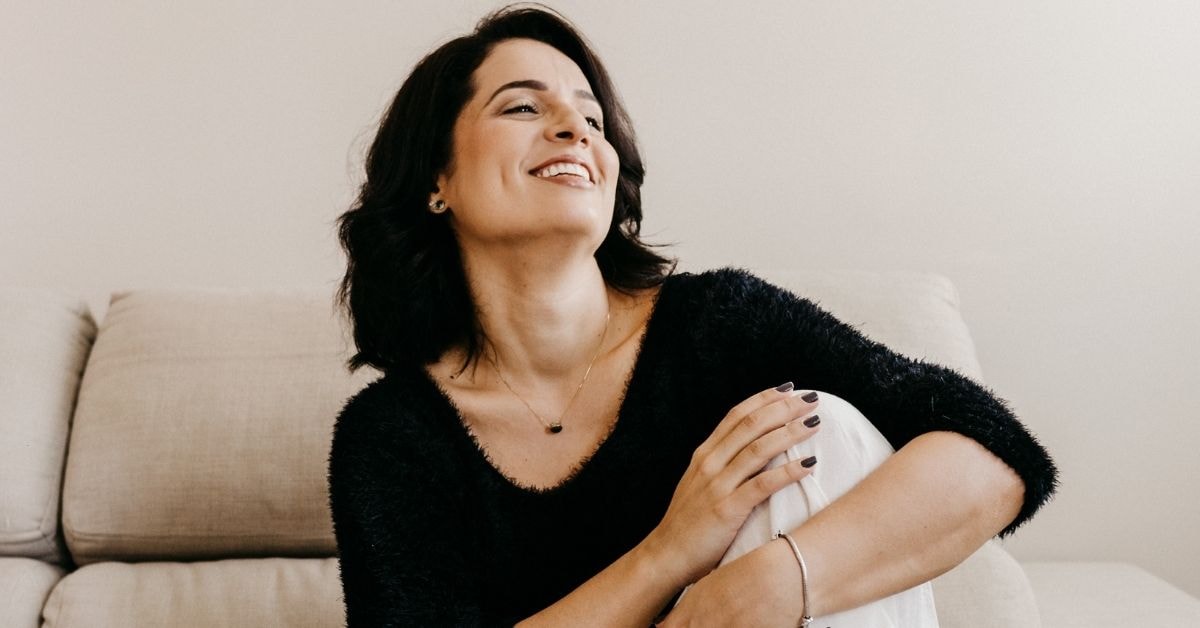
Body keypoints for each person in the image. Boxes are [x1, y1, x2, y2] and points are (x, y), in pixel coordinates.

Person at [328, 6, 1057, 627]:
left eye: (591, 116)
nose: (575, 130)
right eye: (523, 106)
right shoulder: (392, 437)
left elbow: (998, 454)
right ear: (436, 180)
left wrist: (771, 584)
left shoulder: (718, 324)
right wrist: (671, 553)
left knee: (820, 427)